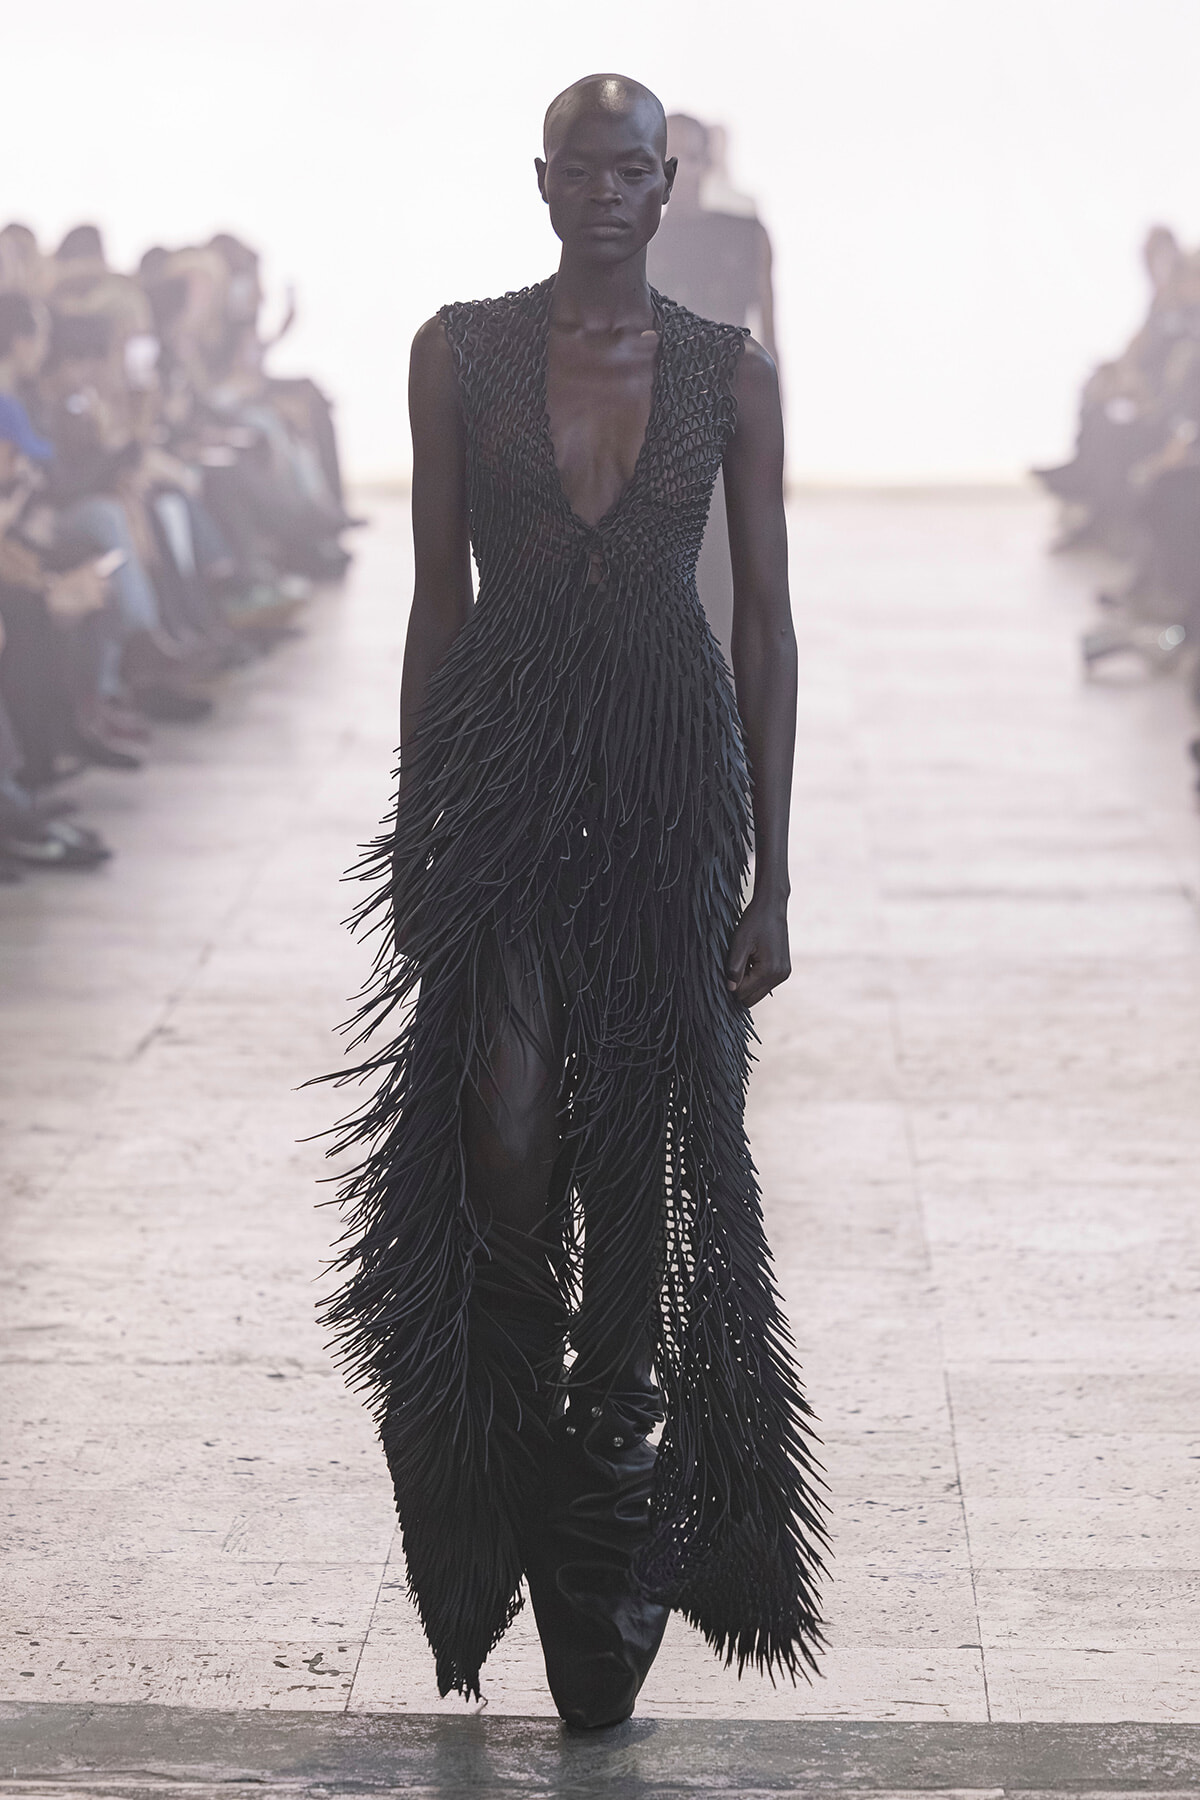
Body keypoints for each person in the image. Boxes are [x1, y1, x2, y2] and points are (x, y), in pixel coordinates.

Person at [324, 74, 826, 1729]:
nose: (606, 191)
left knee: (644, 1153)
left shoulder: (718, 372)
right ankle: (522, 1482)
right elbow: (433, 605)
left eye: (633, 167)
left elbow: (765, 621)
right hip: (516, 778)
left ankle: (605, 1536)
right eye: (581, 167)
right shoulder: (457, 352)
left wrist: (773, 866)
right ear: (541, 182)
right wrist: (420, 835)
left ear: (666, 183)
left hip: (675, 782)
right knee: (506, 1133)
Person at [647, 114, 778, 654]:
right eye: (669, 157)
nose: (684, 170)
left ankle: (716, 708)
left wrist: (776, 434)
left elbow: (771, 336)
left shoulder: (743, 234)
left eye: (693, 155)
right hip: (657, 425)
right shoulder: (638, 238)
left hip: (728, 417)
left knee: (730, 570)